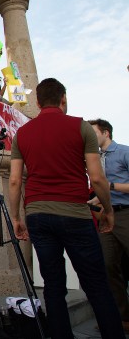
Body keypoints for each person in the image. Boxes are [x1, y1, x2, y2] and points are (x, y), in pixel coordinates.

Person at [8, 78, 123, 339]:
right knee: (96, 284)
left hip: (37, 213)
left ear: (37, 103)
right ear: (64, 99)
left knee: (53, 285)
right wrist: (108, 209)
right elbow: (97, 178)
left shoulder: (22, 133)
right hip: (74, 212)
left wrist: (16, 217)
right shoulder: (80, 127)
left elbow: (15, 180)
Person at [88, 118, 129, 333]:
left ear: (105, 133)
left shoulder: (124, 152)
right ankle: (123, 318)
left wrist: (110, 185)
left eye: (92, 132)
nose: (89, 136)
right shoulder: (95, 159)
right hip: (105, 216)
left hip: (126, 214)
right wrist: (94, 200)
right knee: (108, 266)